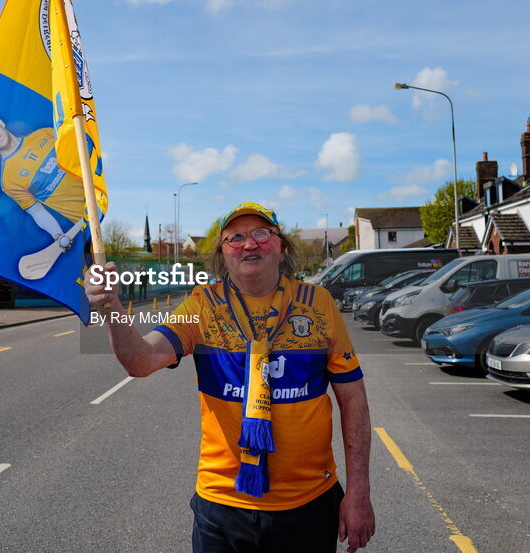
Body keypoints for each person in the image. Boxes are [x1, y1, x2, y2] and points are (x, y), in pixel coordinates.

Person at [86, 202, 375, 553]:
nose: (249, 244)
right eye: (235, 238)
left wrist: (359, 491)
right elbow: (141, 361)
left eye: (261, 234)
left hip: (309, 504)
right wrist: (110, 307)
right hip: (223, 506)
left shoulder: (319, 303)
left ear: (282, 248)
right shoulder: (202, 306)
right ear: (223, 256)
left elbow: (353, 398)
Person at [0, 111, 82, 249]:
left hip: (103, 191)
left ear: (0, 122)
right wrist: (57, 234)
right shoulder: (8, 181)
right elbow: (38, 212)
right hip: (88, 220)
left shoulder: (45, 133)